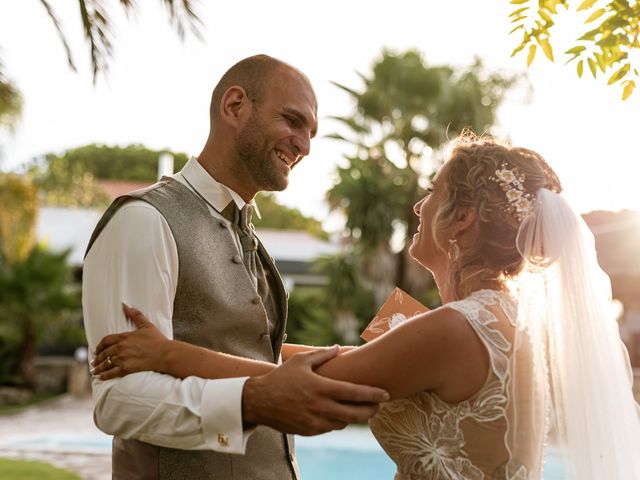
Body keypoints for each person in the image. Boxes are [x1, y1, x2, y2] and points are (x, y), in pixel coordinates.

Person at [93, 133, 640, 479]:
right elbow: (330, 358)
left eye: (434, 192)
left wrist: (168, 354)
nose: (420, 206)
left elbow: (319, 383)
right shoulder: (506, 319)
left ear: (464, 218)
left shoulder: (456, 327)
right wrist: (232, 347)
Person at [82, 54, 389, 480]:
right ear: (234, 106)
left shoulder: (246, 232)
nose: (304, 144)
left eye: (311, 132)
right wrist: (253, 401)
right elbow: (118, 400)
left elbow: (248, 354)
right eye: (292, 121)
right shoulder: (144, 220)